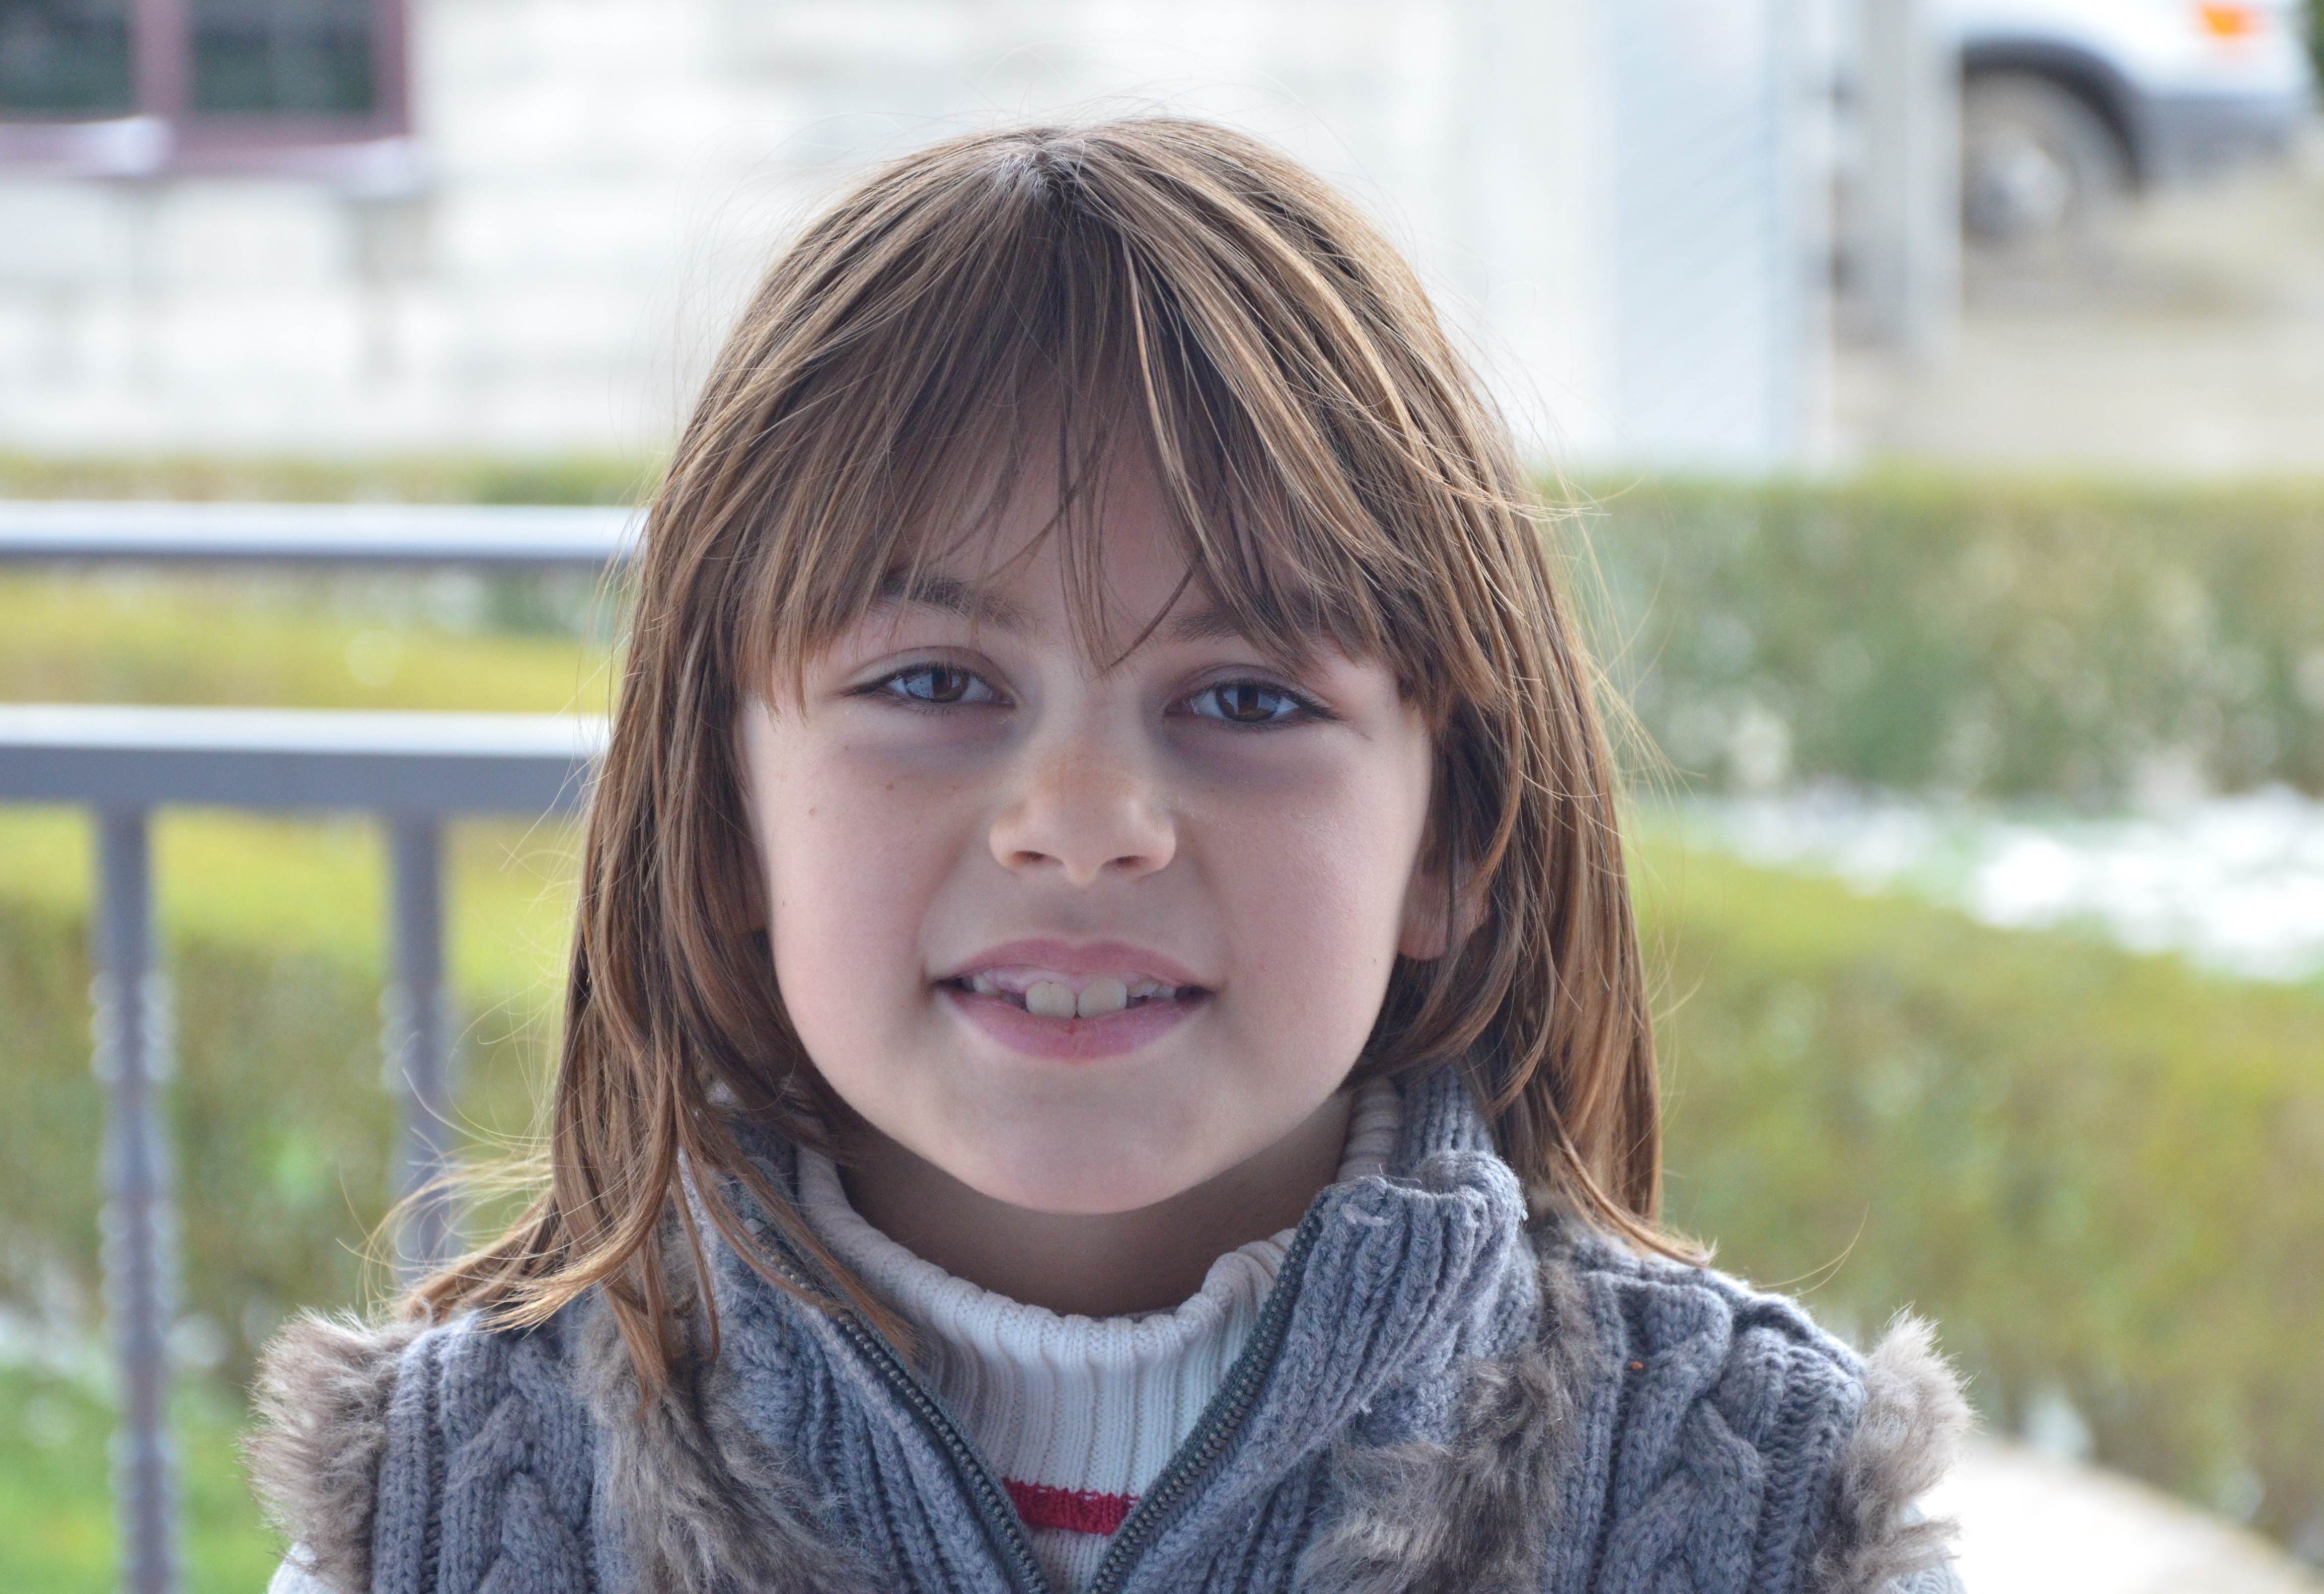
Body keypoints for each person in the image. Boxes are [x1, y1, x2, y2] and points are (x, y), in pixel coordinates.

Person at [248, 118, 1968, 1594]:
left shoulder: (1767, 1516)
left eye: (1242, 696)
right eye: (932, 684)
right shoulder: (436, 1523)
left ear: (1451, 830)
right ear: (725, 816)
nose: (1080, 821)